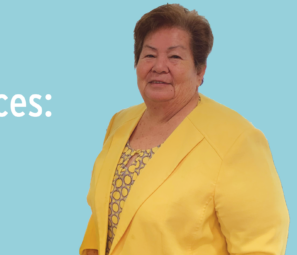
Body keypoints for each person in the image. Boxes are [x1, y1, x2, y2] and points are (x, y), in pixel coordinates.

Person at [79, 4, 289, 255]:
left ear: (200, 71)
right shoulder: (120, 122)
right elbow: (104, 216)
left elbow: (260, 246)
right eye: (149, 55)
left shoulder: (237, 141)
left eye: (175, 56)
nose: (159, 66)